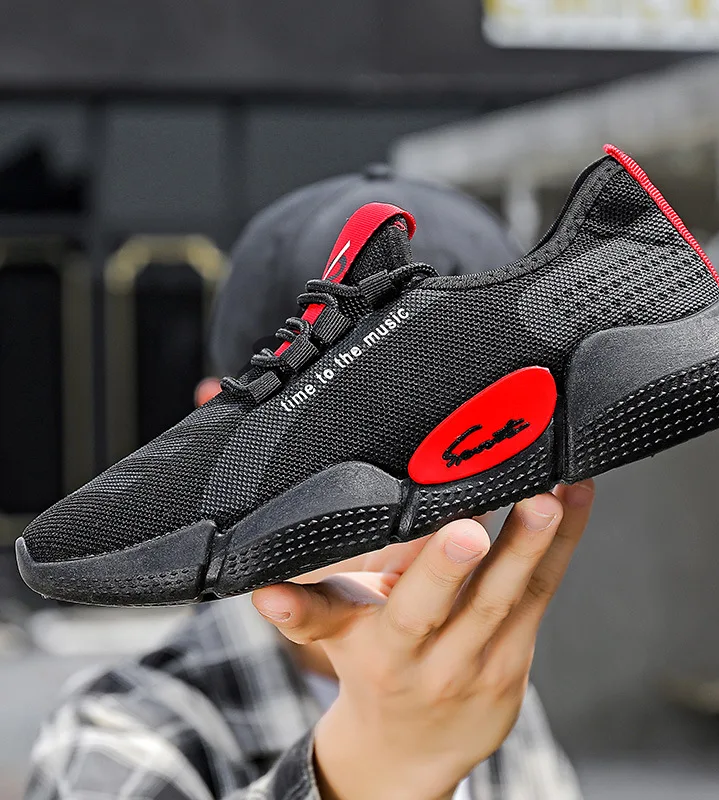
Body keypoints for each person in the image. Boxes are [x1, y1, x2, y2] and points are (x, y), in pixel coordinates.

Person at [25, 166, 595, 800]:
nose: (438, 513)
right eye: (357, 428)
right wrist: (374, 772)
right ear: (221, 441)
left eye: (479, 439)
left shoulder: (483, 692)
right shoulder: (114, 742)